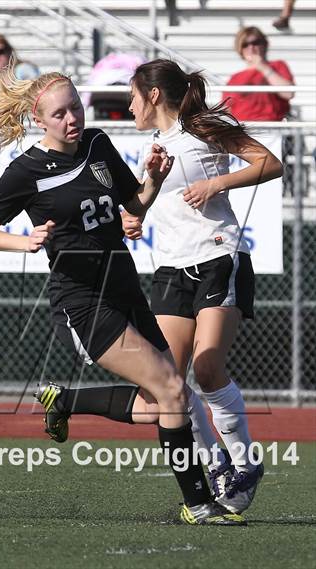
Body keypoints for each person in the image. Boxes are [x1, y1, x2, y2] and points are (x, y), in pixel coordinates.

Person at [0, 65, 246, 526]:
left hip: (124, 287)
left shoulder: (97, 144)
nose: (71, 118)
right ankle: (198, 502)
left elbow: (133, 206)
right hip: (82, 301)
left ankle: (67, 401)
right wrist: (25, 240)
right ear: (40, 120)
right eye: (60, 113)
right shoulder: (27, 171)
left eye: (75, 106)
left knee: (164, 400)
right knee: (172, 388)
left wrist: (153, 182)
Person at [121, 58, 283, 514]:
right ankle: (215, 467)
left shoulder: (203, 128)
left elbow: (269, 163)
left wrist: (217, 183)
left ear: (153, 95)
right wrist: (134, 219)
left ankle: (245, 464)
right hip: (170, 268)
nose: (128, 105)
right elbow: (143, 204)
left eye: (132, 95)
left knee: (207, 367)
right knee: (168, 383)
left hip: (218, 257)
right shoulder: (154, 146)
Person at [223, 26, 294, 122]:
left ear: (264, 44)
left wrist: (262, 66)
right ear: (240, 48)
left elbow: (288, 93)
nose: (251, 48)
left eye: (255, 43)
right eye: (245, 44)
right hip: (243, 129)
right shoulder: (235, 78)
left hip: (272, 127)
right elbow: (227, 110)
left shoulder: (277, 66)